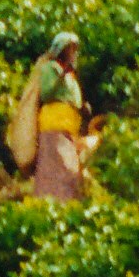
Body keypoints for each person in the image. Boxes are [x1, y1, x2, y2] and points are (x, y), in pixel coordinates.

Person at [21, 32, 92, 203]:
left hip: (69, 127)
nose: (73, 52)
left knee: (69, 168)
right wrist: (61, 76)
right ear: (61, 50)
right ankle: (51, 203)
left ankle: (64, 203)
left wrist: (82, 107)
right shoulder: (50, 69)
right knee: (58, 167)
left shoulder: (70, 74)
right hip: (54, 124)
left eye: (75, 49)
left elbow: (71, 98)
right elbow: (47, 93)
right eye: (70, 49)